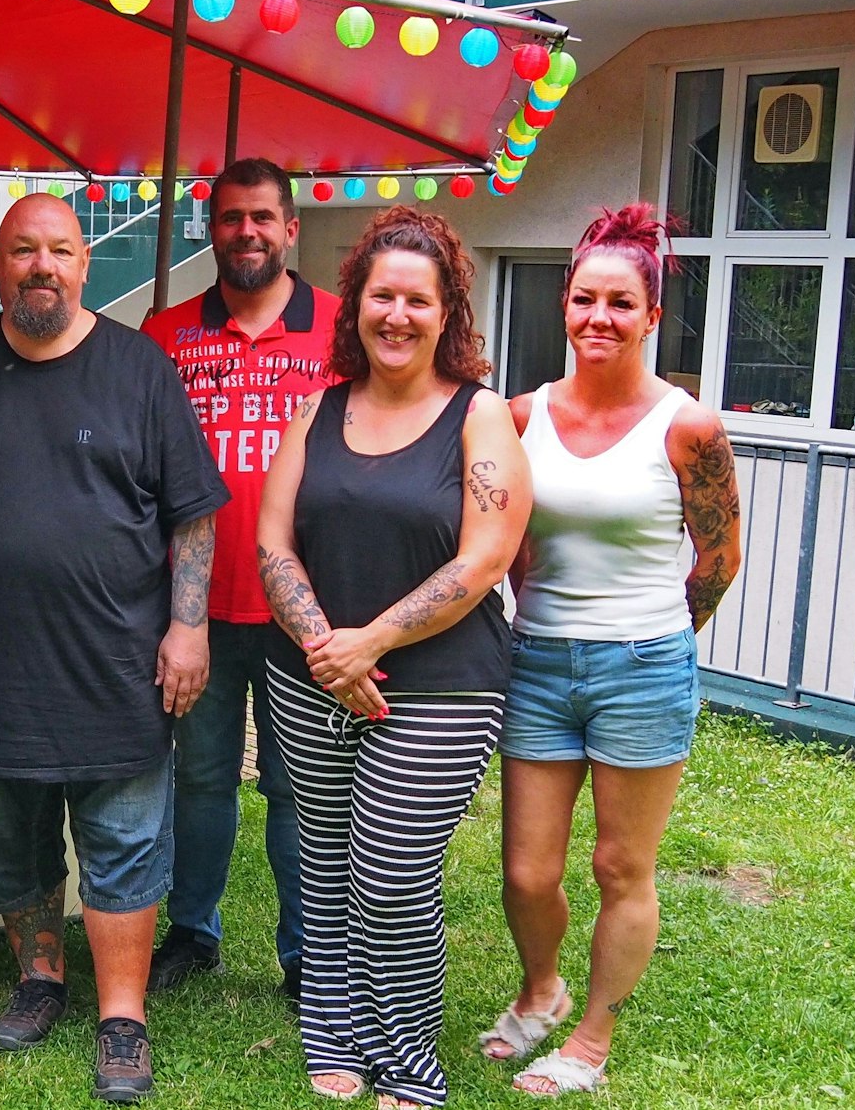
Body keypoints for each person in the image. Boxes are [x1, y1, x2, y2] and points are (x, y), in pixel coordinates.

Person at [0, 194, 228, 1103]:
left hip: (120, 662)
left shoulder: (140, 369)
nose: (40, 266)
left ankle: (121, 1017)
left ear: (85, 263)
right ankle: (42, 975)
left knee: (123, 839)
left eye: (59, 250)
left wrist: (189, 622)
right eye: (23, 250)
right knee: (0, 836)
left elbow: (193, 513)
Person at [255, 206, 531, 1109]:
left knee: (391, 874)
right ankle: (333, 1028)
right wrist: (323, 648)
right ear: (356, 305)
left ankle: (410, 1057)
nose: (398, 315)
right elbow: (273, 543)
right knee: (325, 863)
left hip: (442, 685)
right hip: (312, 676)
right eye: (383, 296)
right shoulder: (317, 410)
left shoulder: (479, 417)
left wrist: (370, 641)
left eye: (419, 298)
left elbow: (484, 555)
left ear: (448, 310)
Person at [480, 204, 741, 1098]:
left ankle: (591, 1036)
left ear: (652, 315)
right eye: (586, 299)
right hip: (539, 662)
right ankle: (540, 988)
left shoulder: (687, 427)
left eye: (621, 304)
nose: (600, 318)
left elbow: (719, 558)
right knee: (528, 870)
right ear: (564, 304)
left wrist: (656, 641)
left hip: (644, 663)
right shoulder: (519, 416)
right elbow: (502, 537)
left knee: (621, 865)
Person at [138, 157, 337, 998]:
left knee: (299, 787)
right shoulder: (166, 331)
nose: (246, 232)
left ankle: (307, 951)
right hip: (197, 607)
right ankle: (193, 929)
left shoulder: (341, 324)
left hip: (305, 605)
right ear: (209, 229)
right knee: (203, 774)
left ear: (292, 227)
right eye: (229, 218)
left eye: (263, 217)